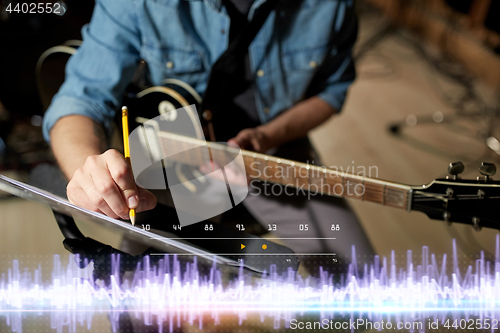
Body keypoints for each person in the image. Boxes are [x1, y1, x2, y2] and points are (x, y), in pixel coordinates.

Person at [43, 0, 374, 260]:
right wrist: (85, 169)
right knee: (137, 306)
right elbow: (80, 98)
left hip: (273, 155)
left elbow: (332, 92)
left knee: (357, 284)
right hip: (179, 167)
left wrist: (268, 136)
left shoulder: (332, 5)